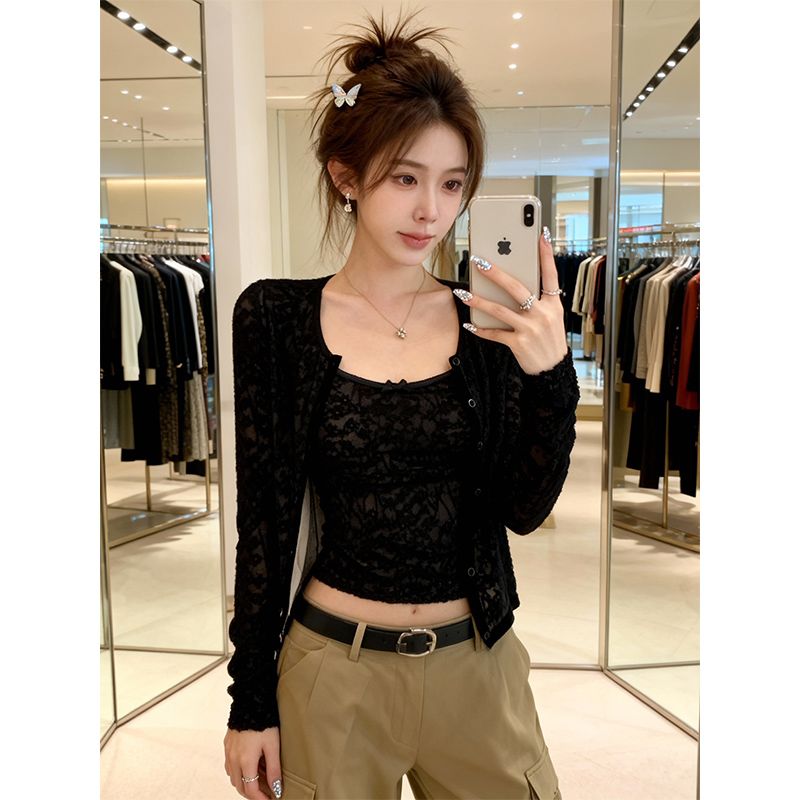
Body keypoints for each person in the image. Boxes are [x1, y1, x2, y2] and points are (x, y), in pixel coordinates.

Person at [223, 11, 578, 800]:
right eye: (405, 178)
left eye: (452, 184)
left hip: (477, 666)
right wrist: (250, 700)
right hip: (332, 673)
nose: (431, 212)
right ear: (346, 176)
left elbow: (524, 511)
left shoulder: (488, 327)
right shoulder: (275, 317)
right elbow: (265, 525)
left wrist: (551, 377)